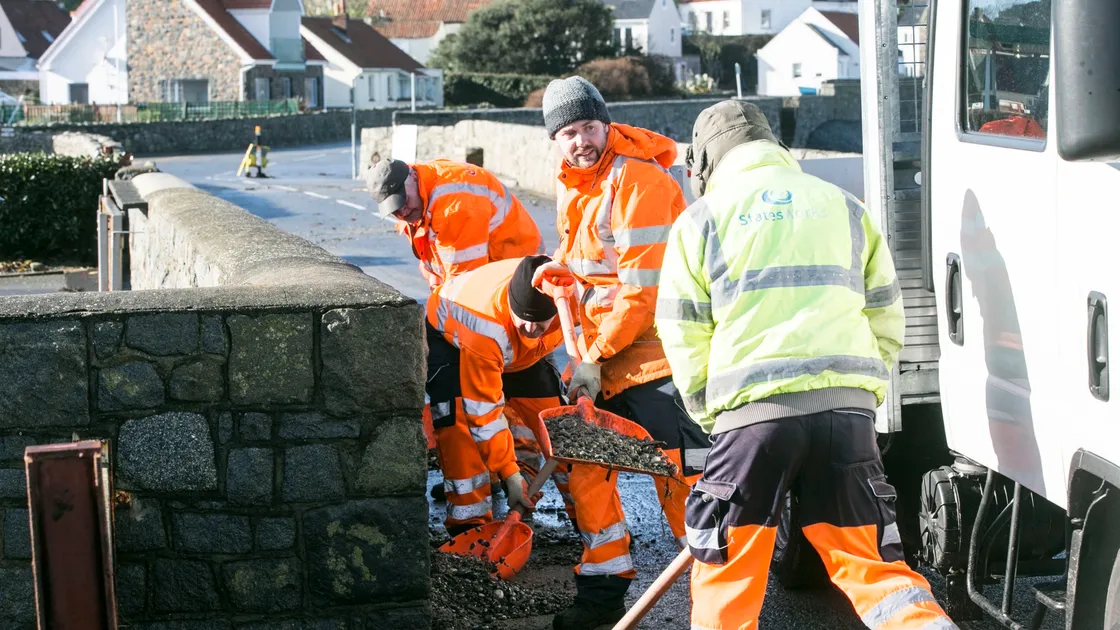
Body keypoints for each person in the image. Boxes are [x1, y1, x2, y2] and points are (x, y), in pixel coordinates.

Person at [654, 99, 958, 630]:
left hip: (752, 422)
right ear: (775, 147)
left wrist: (714, 416)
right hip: (847, 419)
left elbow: (682, 332)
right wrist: (862, 395)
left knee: (728, 578)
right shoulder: (844, 206)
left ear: (703, 163)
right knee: (875, 571)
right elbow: (887, 312)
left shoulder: (700, 220)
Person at [536, 76, 711, 630]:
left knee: (682, 481)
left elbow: (644, 289)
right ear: (555, 139)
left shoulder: (639, 181)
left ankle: (719, 591)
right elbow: (586, 259)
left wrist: (595, 356)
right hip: (601, 361)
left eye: (588, 126)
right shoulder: (575, 182)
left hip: (656, 361)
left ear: (605, 123)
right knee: (588, 474)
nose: (580, 140)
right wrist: (553, 269)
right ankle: (603, 594)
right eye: (567, 132)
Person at [425, 255, 567, 536]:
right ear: (512, 305)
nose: (530, 329)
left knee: (560, 428)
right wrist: (509, 473)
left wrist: (593, 364)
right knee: (459, 429)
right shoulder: (485, 328)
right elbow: (485, 413)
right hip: (450, 341)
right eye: (523, 321)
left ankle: (590, 526)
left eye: (539, 324)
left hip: (520, 354)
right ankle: (470, 526)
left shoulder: (567, 298)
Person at [365, 157, 543, 291]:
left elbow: (465, 285)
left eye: (403, 201)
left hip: (516, 275)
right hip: (494, 274)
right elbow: (437, 262)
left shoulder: (455, 206)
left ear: (412, 176)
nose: (402, 212)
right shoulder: (421, 194)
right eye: (394, 209)